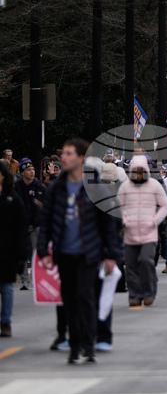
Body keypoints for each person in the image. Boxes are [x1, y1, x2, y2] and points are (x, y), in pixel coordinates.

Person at [37, 139, 121, 364]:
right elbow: (46, 223)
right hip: (64, 254)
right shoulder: (56, 188)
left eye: (68, 153)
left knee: (85, 297)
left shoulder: (95, 188)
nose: (63, 158)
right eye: (62, 153)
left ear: (81, 159)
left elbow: (108, 225)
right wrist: (43, 251)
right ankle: (74, 346)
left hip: (88, 253)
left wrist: (112, 255)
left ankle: (88, 344)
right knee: (69, 300)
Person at [118, 156, 167, 307]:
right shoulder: (125, 187)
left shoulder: (154, 185)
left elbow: (165, 205)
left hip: (149, 233)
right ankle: (134, 295)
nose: (138, 175)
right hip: (130, 234)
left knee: (147, 261)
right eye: (136, 172)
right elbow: (117, 206)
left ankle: (149, 293)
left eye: (141, 172)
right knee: (131, 265)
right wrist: (124, 219)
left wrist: (154, 221)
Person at [0, 161, 30, 337]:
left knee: (6, 286)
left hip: (7, 249)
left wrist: (21, 252)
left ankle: (5, 322)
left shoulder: (12, 197)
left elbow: (22, 225)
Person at [14, 157, 46, 290]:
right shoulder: (16, 187)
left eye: (33, 169)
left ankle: (36, 280)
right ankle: (24, 281)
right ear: (22, 172)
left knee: (36, 252)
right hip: (21, 226)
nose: (32, 172)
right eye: (28, 170)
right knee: (21, 253)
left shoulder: (40, 187)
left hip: (36, 225)